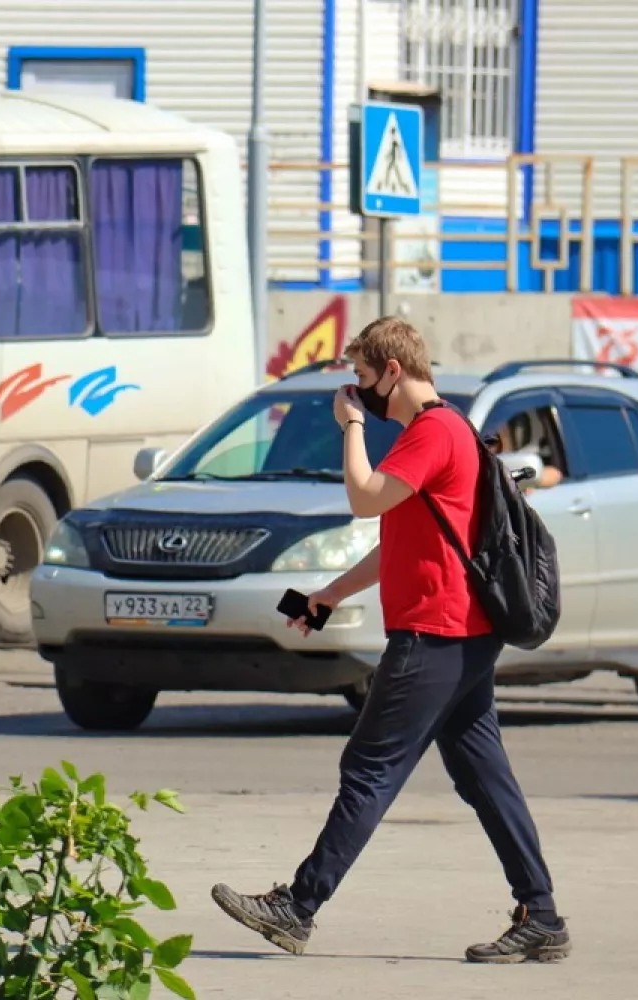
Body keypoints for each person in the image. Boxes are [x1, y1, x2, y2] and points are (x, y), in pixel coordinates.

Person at [209, 317, 570, 965]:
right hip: (459, 636)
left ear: (393, 372)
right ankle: (541, 915)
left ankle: (298, 905)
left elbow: (363, 498)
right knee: (485, 778)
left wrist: (349, 427)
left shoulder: (433, 431)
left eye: (363, 378)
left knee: (368, 770)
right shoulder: (430, 434)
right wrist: (328, 596)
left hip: (435, 634)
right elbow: (397, 541)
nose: (358, 391)